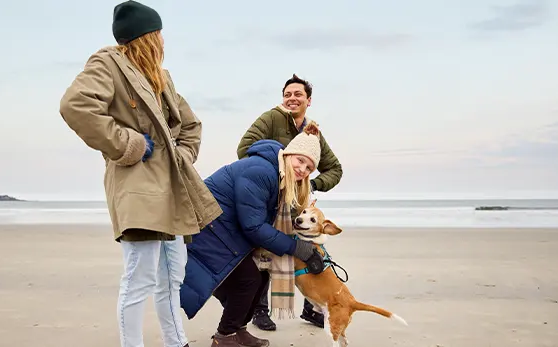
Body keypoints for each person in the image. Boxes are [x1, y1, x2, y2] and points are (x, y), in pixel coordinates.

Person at [58, 1, 222, 346]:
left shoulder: (163, 78)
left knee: (172, 278)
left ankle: (176, 343)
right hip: (137, 188)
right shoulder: (108, 63)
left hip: (173, 192)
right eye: (158, 32)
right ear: (147, 35)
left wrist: (183, 156)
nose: (163, 39)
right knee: (139, 280)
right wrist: (129, 144)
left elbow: (191, 125)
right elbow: (76, 106)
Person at [181, 130, 330, 347]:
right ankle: (224, 336)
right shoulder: (261, 171)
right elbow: (254, 226)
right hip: (205, 230)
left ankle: (238, 330)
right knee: (248, 279)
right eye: (300, 161)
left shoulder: (279, 176)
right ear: (289, 154)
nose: (302, 169)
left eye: (309, 168)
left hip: (225, 231)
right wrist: (296, 248)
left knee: (259, 278)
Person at [236, 74, 344, 331]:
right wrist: (283, 169)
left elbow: (335, 169)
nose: (292, 98)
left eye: (298, 94)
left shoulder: (313, 131)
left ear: (309, 100)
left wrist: (311, 185)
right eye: (287, 94)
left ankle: (311, 307)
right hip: (270, 198)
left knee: (313, 253)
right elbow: (245, 148)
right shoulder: (271, 118)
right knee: (264, 252)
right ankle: (260, 311)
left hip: (297, 207)